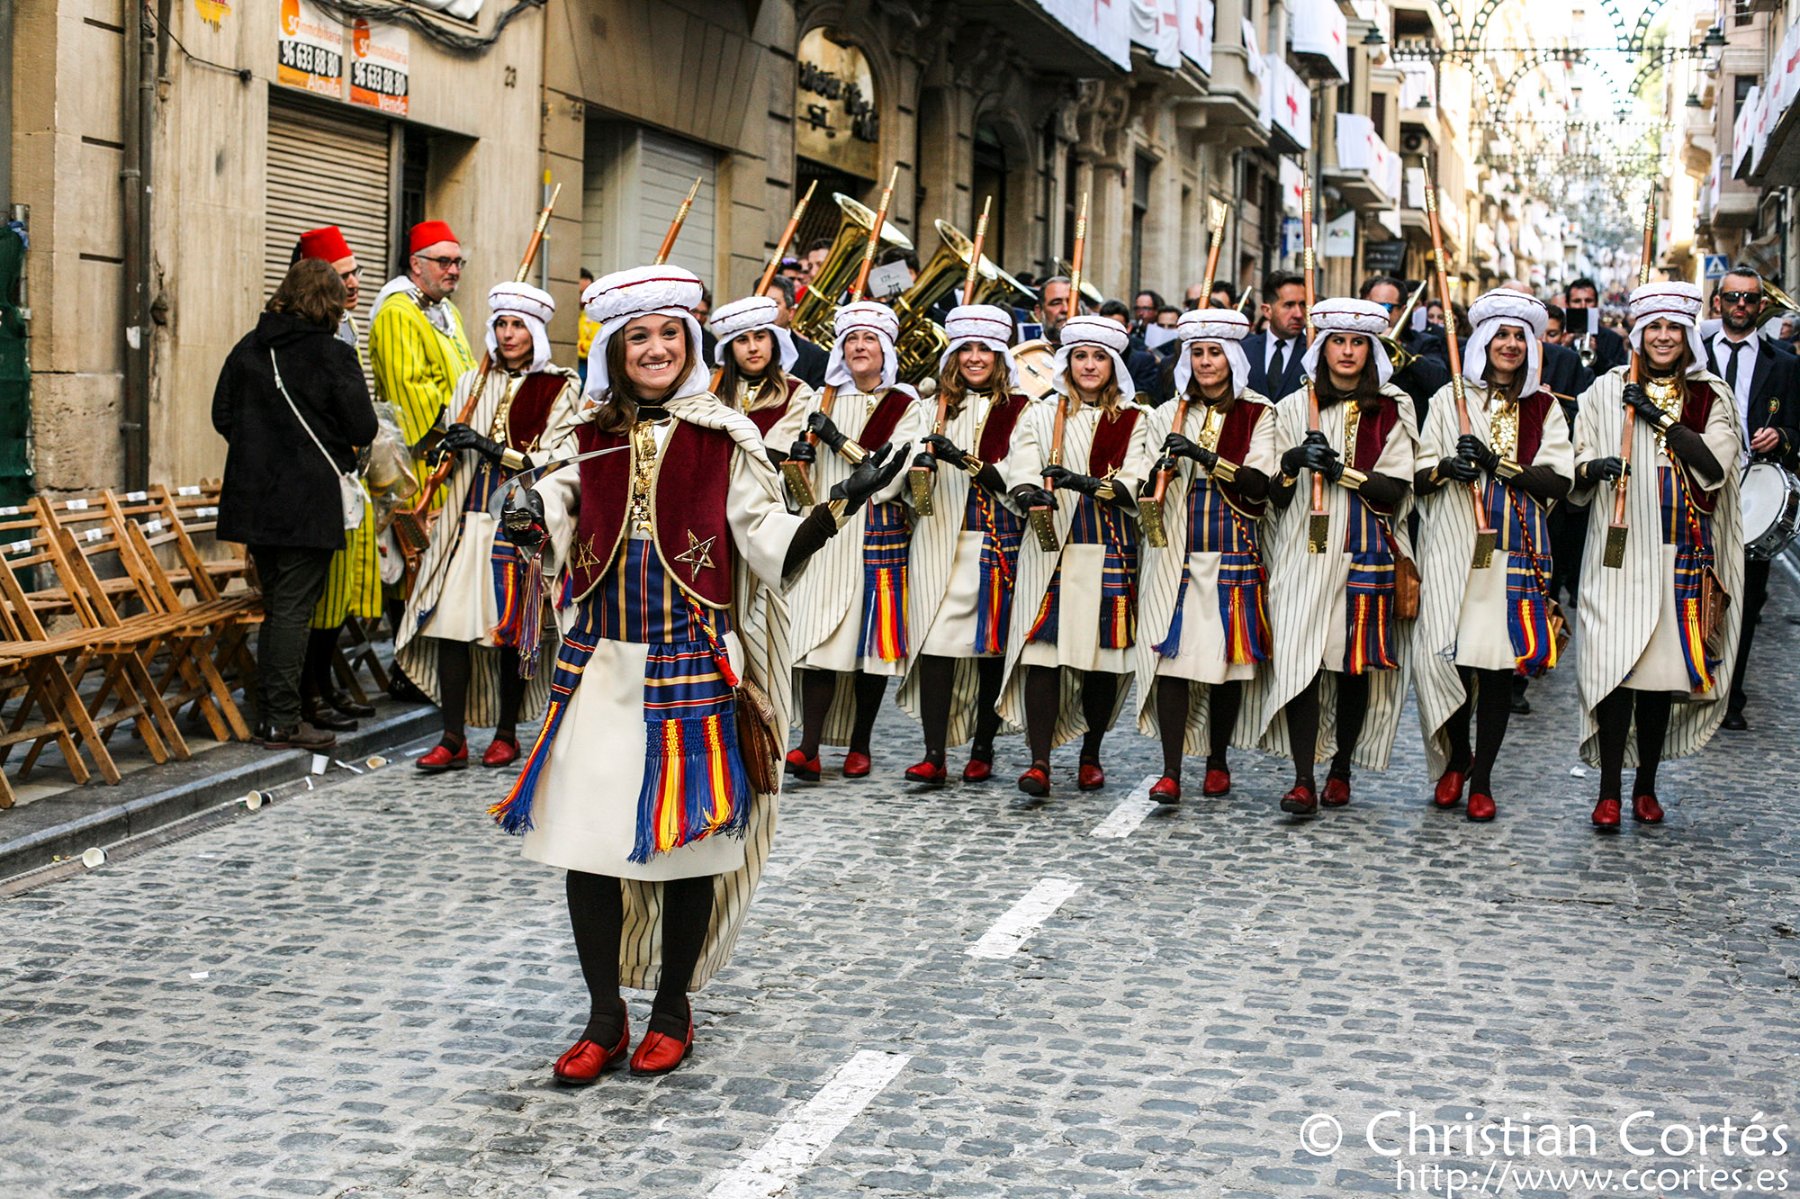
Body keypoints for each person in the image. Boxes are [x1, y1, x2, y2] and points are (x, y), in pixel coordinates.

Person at [489, 263, 903, 1084]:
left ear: (688, 342)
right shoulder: (590, 431)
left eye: (667, 334)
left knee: (685, 850)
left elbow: (765, 538)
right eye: (637, 336)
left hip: (692, 661)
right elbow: (561, 499)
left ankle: (672, 1006)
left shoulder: (724, 435)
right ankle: (604, 1016)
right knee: (587, 842)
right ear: (615, 347)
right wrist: (531, 507)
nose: (653, 349)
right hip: (599, 662)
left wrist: (836, 506)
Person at [1571, 281, 1744, 829]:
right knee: (1615, 669)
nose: (1664, 337)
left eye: (1673, 328)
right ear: (1639, 335)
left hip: (1681, 551)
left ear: (1688, 335)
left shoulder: (1711, 396)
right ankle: (1607, 792)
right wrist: (1593, 468)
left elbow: (1715, 466)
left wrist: (1660, 417)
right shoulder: (1606, 390)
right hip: (1618, 552)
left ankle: (1645, 784)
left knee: (1658, 678)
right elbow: (1578, 457)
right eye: (1654, 328)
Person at [395, 282, 578, 771]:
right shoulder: (469, 383)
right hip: (463, 520)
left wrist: (493, 448)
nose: (508, 333)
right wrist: (444, 446)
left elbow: (562, 458)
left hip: (515, 523)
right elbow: (446, 442)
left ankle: (505, 733)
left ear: (535, 332)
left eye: (518, 325)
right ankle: (451, 736)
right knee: (450, 624)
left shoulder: (560, 387)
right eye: (501, 324)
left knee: (512, 628)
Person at [1410, 291, 1573, 822]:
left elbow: (1558, 478)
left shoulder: (1545, 407)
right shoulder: (1449, 400)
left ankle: (1481, 780)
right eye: (1500, 335)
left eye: (1518, 337)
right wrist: (1446, 470)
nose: (1509, 345)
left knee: (1497, 667)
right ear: (1483, 341)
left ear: (1531, 346)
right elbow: (1417, 473)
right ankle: (1457, 756)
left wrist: (1499, 465)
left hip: (1516, 547)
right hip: (1453, 546)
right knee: (1447, 659)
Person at [1255, 298, 1419, 817]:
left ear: (1371, 351)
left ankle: (1341, 765)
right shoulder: (1291, 408)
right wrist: (1291, 462)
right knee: (1300, 659)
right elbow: (1275, 498)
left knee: (1351, 665)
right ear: (1321, 349)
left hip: (1365, 546)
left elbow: (1397, 487)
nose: (1346, 351)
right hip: (1304, 548)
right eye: (1337, 342)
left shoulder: (1393, 407)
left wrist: (1343, 471)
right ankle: (1303, 776)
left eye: (1357, 343)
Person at [212, 259, 377, 751]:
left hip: (255, 497)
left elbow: (223, 415)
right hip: (307, 498)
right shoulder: (332, 354)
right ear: (330, 303)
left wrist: (261, 450)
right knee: (290, 609)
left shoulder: (248, 347)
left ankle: (275, 712)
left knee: (278, 603)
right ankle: (280, 720)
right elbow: (362, 429)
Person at [999, 315, 1152, 800]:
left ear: (1113, 365)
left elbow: (1138, 475)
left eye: (1099, 357)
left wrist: (1090, 484)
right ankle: (1039, 760)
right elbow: (1020, 460)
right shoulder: (1044, 414)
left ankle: (1091, 753)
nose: (1089, 366)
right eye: (1081, 356)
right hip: (1053, 550)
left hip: (1108, 545)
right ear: (1067, 362)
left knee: (1101, 660)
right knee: (1043, 656)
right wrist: (1029, 492)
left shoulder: (1135, 419)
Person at [1133, 309, 1277, 804]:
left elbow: (1261, 484)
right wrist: (1158, 466)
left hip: (1232, 544)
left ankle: (1217, 758)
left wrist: (1204, 456)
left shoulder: (1259, 412)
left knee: (1225, 660)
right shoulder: (1166, 413)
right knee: (1169, 657)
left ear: (1232, 357)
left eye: (1215, 352)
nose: (1206, 362)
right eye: (1197, 352)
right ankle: (1171, 768)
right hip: (1177, 548)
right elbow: (1140, 481)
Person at [782, 302, 929, 781]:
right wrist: (797, 458)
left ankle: (860, 744)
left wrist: (838, 440)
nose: (859, 348)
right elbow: (794, 478)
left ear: (885, 349)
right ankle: (808, 746)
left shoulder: (908, 407)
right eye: (851, 340)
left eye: (868, 340)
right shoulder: (821, 399)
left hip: (876, 530)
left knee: (868, 644)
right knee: (819, 639)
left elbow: (887, 477)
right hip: (828, 530)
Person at [895, 304, 1032, 785]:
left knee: (989, 648)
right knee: (934, 645)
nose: (975, 358)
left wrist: (968, 460)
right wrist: (918, 460)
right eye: (966, 349)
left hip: (995, 538)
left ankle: (982, 746)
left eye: (985, 350)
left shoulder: (1021, 409)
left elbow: (1019, 478)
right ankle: (934, 752)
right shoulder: (930, 406)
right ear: (953, 356)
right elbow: (900, 469)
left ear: (999, 357)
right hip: (936, 540)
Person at [289, 226, 382, 734]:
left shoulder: (346, 326)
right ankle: (308, 691)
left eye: (355, 273)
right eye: (342, 276)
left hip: (347, 474)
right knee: (318, 593)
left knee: (340, 588)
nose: (353, 284)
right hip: (316, 479)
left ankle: (324, 682)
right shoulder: (310, 333)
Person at [1701, 268, 1799, 731]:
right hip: (1698, 490)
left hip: (1752, 500)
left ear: (1762, 306)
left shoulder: (1786, 365)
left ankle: (1731, 697)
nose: (1740, 305)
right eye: (1732, 297)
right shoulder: (1693, 356)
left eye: (1749, 299)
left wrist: (1780, 435)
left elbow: (1799, 431)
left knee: (1746, 599)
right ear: (1717, 302)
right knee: (1694, 588)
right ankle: (1694, 680)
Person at [369, 220, 477, 493]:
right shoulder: (397, 311)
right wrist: (459, 422)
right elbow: (409, 388)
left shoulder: (450, 311)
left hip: (456, 449)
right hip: (422, 457)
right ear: (416, 264)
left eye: (458, 262)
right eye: (443, 262)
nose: (453, 270)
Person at [707, 294, 813, 455]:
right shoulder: (710, 387)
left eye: (760, 337)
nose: (753, 348)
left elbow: (775, 456)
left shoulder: (797, 393)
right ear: (730, 349)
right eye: (742, 340)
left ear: (772, 342)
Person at [1362, 276, 1450, 428]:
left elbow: (1440, 383)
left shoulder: (1424, 342)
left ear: (1403, 310)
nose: (1376, 313)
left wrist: (1400, 348)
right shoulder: (1356, 342)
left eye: (1385, 307)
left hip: (1407, 429)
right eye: (1370, 306)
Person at [1244, 274, 1309, 400]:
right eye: (1289, 305)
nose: (1298, 314)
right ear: (1267, 310)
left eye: (1302, 305)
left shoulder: (1314, 351)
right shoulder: (1244, 351)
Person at [766, 275, 830, 389]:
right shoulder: (742, 351)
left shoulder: (816, 357)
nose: (765, 310)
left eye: (774, 304)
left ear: (791, 313)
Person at [1100, 299, 1164, 398]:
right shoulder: (1091, 359)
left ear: (1128, 328)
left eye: (1117, 328)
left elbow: (1143, 396)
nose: (1110, 333)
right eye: (1105, 327)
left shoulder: (1144, 362)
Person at [1566, 276, 1629, 373]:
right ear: (1568, 304)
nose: (1583, 306)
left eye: (1588, 301)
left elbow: (1620, 375)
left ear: (1596, 303)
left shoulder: (1613, 340)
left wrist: (1597, 356)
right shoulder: (1559, 336)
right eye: (1577, 301)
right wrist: (1564, 346)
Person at [577, 267, 599, 387]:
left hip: (589, 365)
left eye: (586, 293)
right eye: (580, 293)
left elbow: (596, 344)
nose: (583, 299)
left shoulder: (594, 314)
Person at [1034, 276, 1073, 342]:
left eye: (1071, 302)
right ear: (1039, 312)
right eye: (1056, 303)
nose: (1065, 309)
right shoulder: (1027, 351)